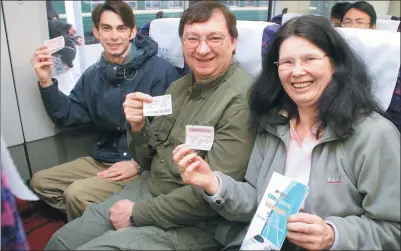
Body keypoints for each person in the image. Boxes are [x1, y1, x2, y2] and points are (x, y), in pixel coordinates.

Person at [174, 15, 401, 250]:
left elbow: (394, 230)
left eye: (310, 59)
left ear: (334, 64)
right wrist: (213, 183)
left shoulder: (374, 135)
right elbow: (256, 201)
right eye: (287, 62)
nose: (297, 72)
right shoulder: (274, 124)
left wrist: (334, 235)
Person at [45, 1, 255, 250]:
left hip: (195, 220)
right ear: (182, 43)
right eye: (192, 39)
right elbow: (146, 160)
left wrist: (137, 213)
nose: (202, 49)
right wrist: (137, 127)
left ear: (233, 42)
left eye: (214, 38)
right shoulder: (178, 87)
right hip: (147, 188)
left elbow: (213, 196)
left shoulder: (242, 100)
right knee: (60, 242)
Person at [30, 0, 180, 222]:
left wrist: (138, 164)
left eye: (121, 28)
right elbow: (68, 115)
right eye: (107, 28)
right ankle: (99, 218)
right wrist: (46, 82)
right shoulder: (93, 74)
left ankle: (91, 224)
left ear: (132, 32)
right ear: (97, 32)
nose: (114, 36)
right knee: (40, 182)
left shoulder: (160, 71)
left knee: (76, 194)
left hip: (141, 162)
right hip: (104, 157)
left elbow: (171, 129)